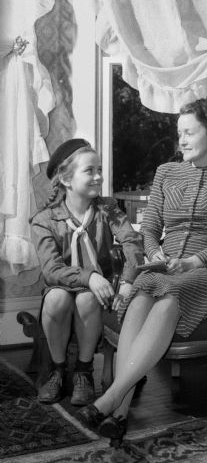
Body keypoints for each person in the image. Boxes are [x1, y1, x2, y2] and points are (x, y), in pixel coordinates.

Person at [77, 98, 207, 443]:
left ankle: (111, 402)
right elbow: (149, 228)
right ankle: (116, 414)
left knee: (170, 295)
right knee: (142, 295)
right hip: (164, 263)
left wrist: (195, 261)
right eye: (179, 133)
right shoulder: (166, 171)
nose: (182, 140)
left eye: (189, 132)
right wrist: (153, 251)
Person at [31, 139, 144, 405]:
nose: (98, 177)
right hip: (62, 288)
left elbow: (132, 242)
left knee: (86, 297)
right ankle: (57, 370)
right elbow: (52, 271)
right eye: (90, 171)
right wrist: (89, 276)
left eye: (99, 170)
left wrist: (127, 281)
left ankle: (84, 371)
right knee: (57, 298)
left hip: (96, 295)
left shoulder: (108, 209)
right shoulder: (44, 220)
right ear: (67, 180)